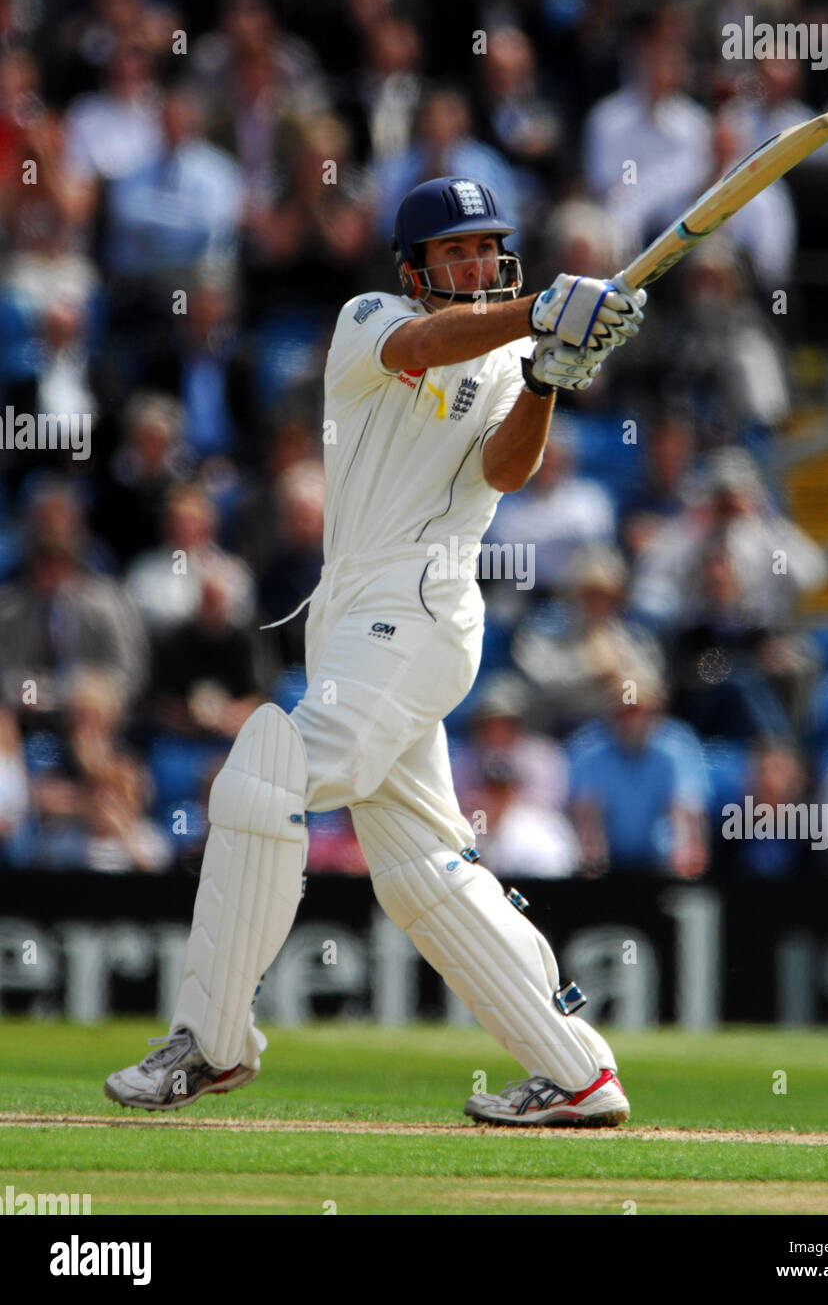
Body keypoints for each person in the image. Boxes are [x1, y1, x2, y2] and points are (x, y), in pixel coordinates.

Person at [105, 175, 645, 1127]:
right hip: (355, 612)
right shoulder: (370, 319)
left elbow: (504, 470)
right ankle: (575, 1073)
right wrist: (544, 310)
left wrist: (547, 379)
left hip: (423, 604)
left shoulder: (515, 346)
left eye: (489, 248)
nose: (476, 263)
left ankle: (211, 1044)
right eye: (456, 252)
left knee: (262, 779)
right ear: (414, 268)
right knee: (421, 869)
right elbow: (427, 345)